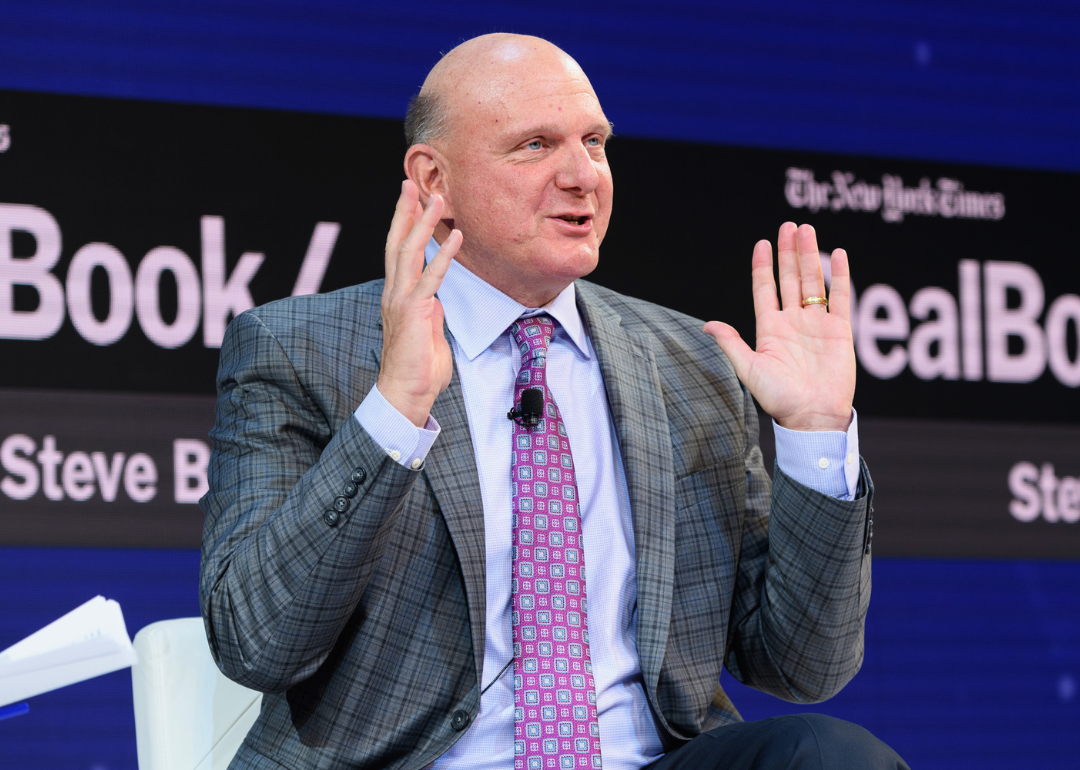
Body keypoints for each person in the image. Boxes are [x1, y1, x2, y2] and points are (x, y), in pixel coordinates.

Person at [200, 33, 907, 770]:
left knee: (829, 757)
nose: (583, 176)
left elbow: (801, 665)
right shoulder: (298, 349)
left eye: (595, 143)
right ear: (432, 177)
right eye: (536, 145)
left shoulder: (689, 363)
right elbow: (256, 643)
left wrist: (814, 437)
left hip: (643, 760)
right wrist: (394, 410)